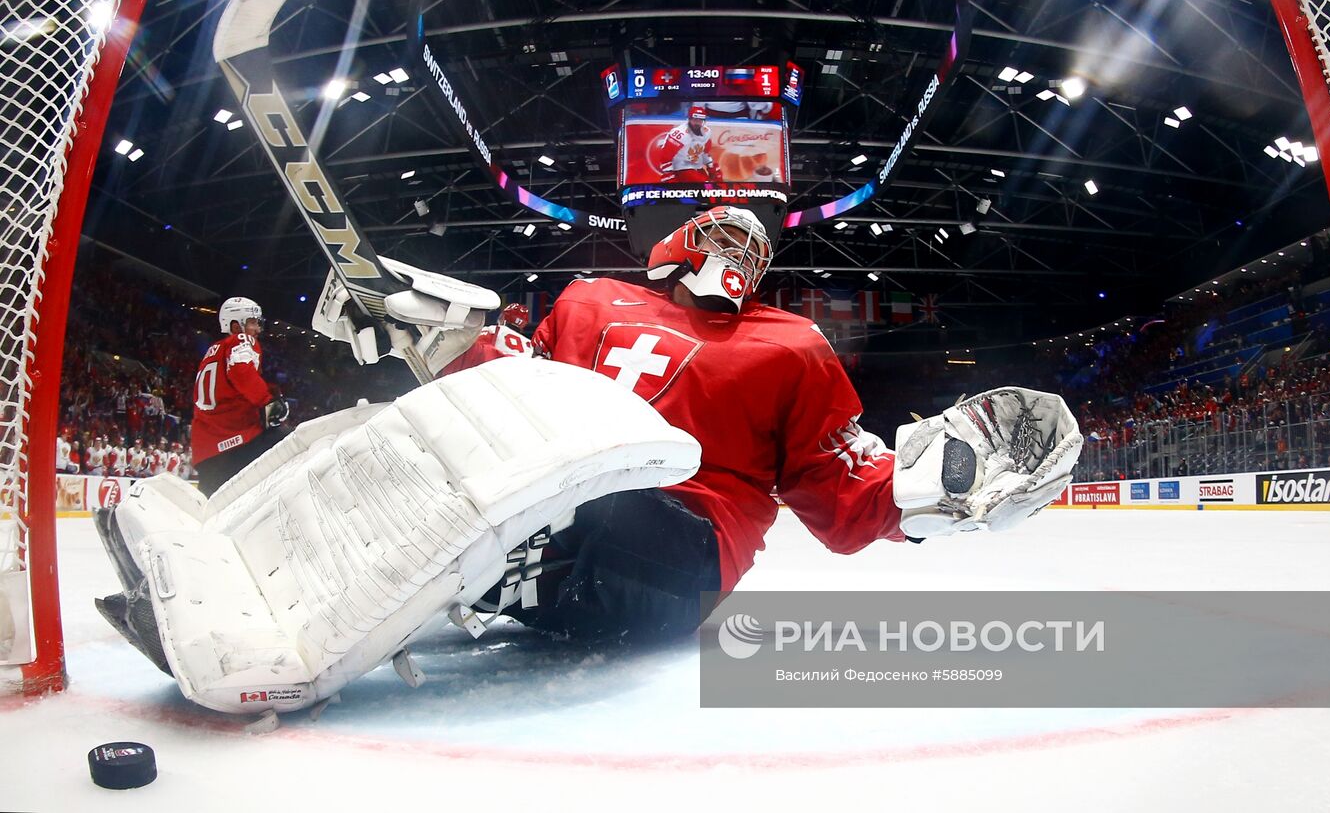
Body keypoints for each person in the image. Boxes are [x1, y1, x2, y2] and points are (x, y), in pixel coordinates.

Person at [95, 208, 1079, 713]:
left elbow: (838, 494)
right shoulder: (587, 301)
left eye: (754, 236)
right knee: (382, 430)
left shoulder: (794, 347)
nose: (736, 240)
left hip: (665, 549)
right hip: (547, 488)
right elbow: (509, 380)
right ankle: (236, 551)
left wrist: (926, 489)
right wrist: (423, 333)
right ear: (674, 237)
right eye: (721, 223)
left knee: (583, 501)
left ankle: (464, 578)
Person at [189, 296, 289, 496]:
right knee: (296, 445)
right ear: (236, 326)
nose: (257, 329)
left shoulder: (211, 352)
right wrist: (269, 401)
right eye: (253, 322)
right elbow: (240, 370)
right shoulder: (241, 339)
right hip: (238, 442)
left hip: (206, 452)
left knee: (212, 518)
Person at [438, 302, 534, 374]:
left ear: (502, 317)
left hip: (499, 372)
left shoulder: (495, 330)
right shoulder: (530, 344)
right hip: (525, 373)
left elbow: (473, 349)